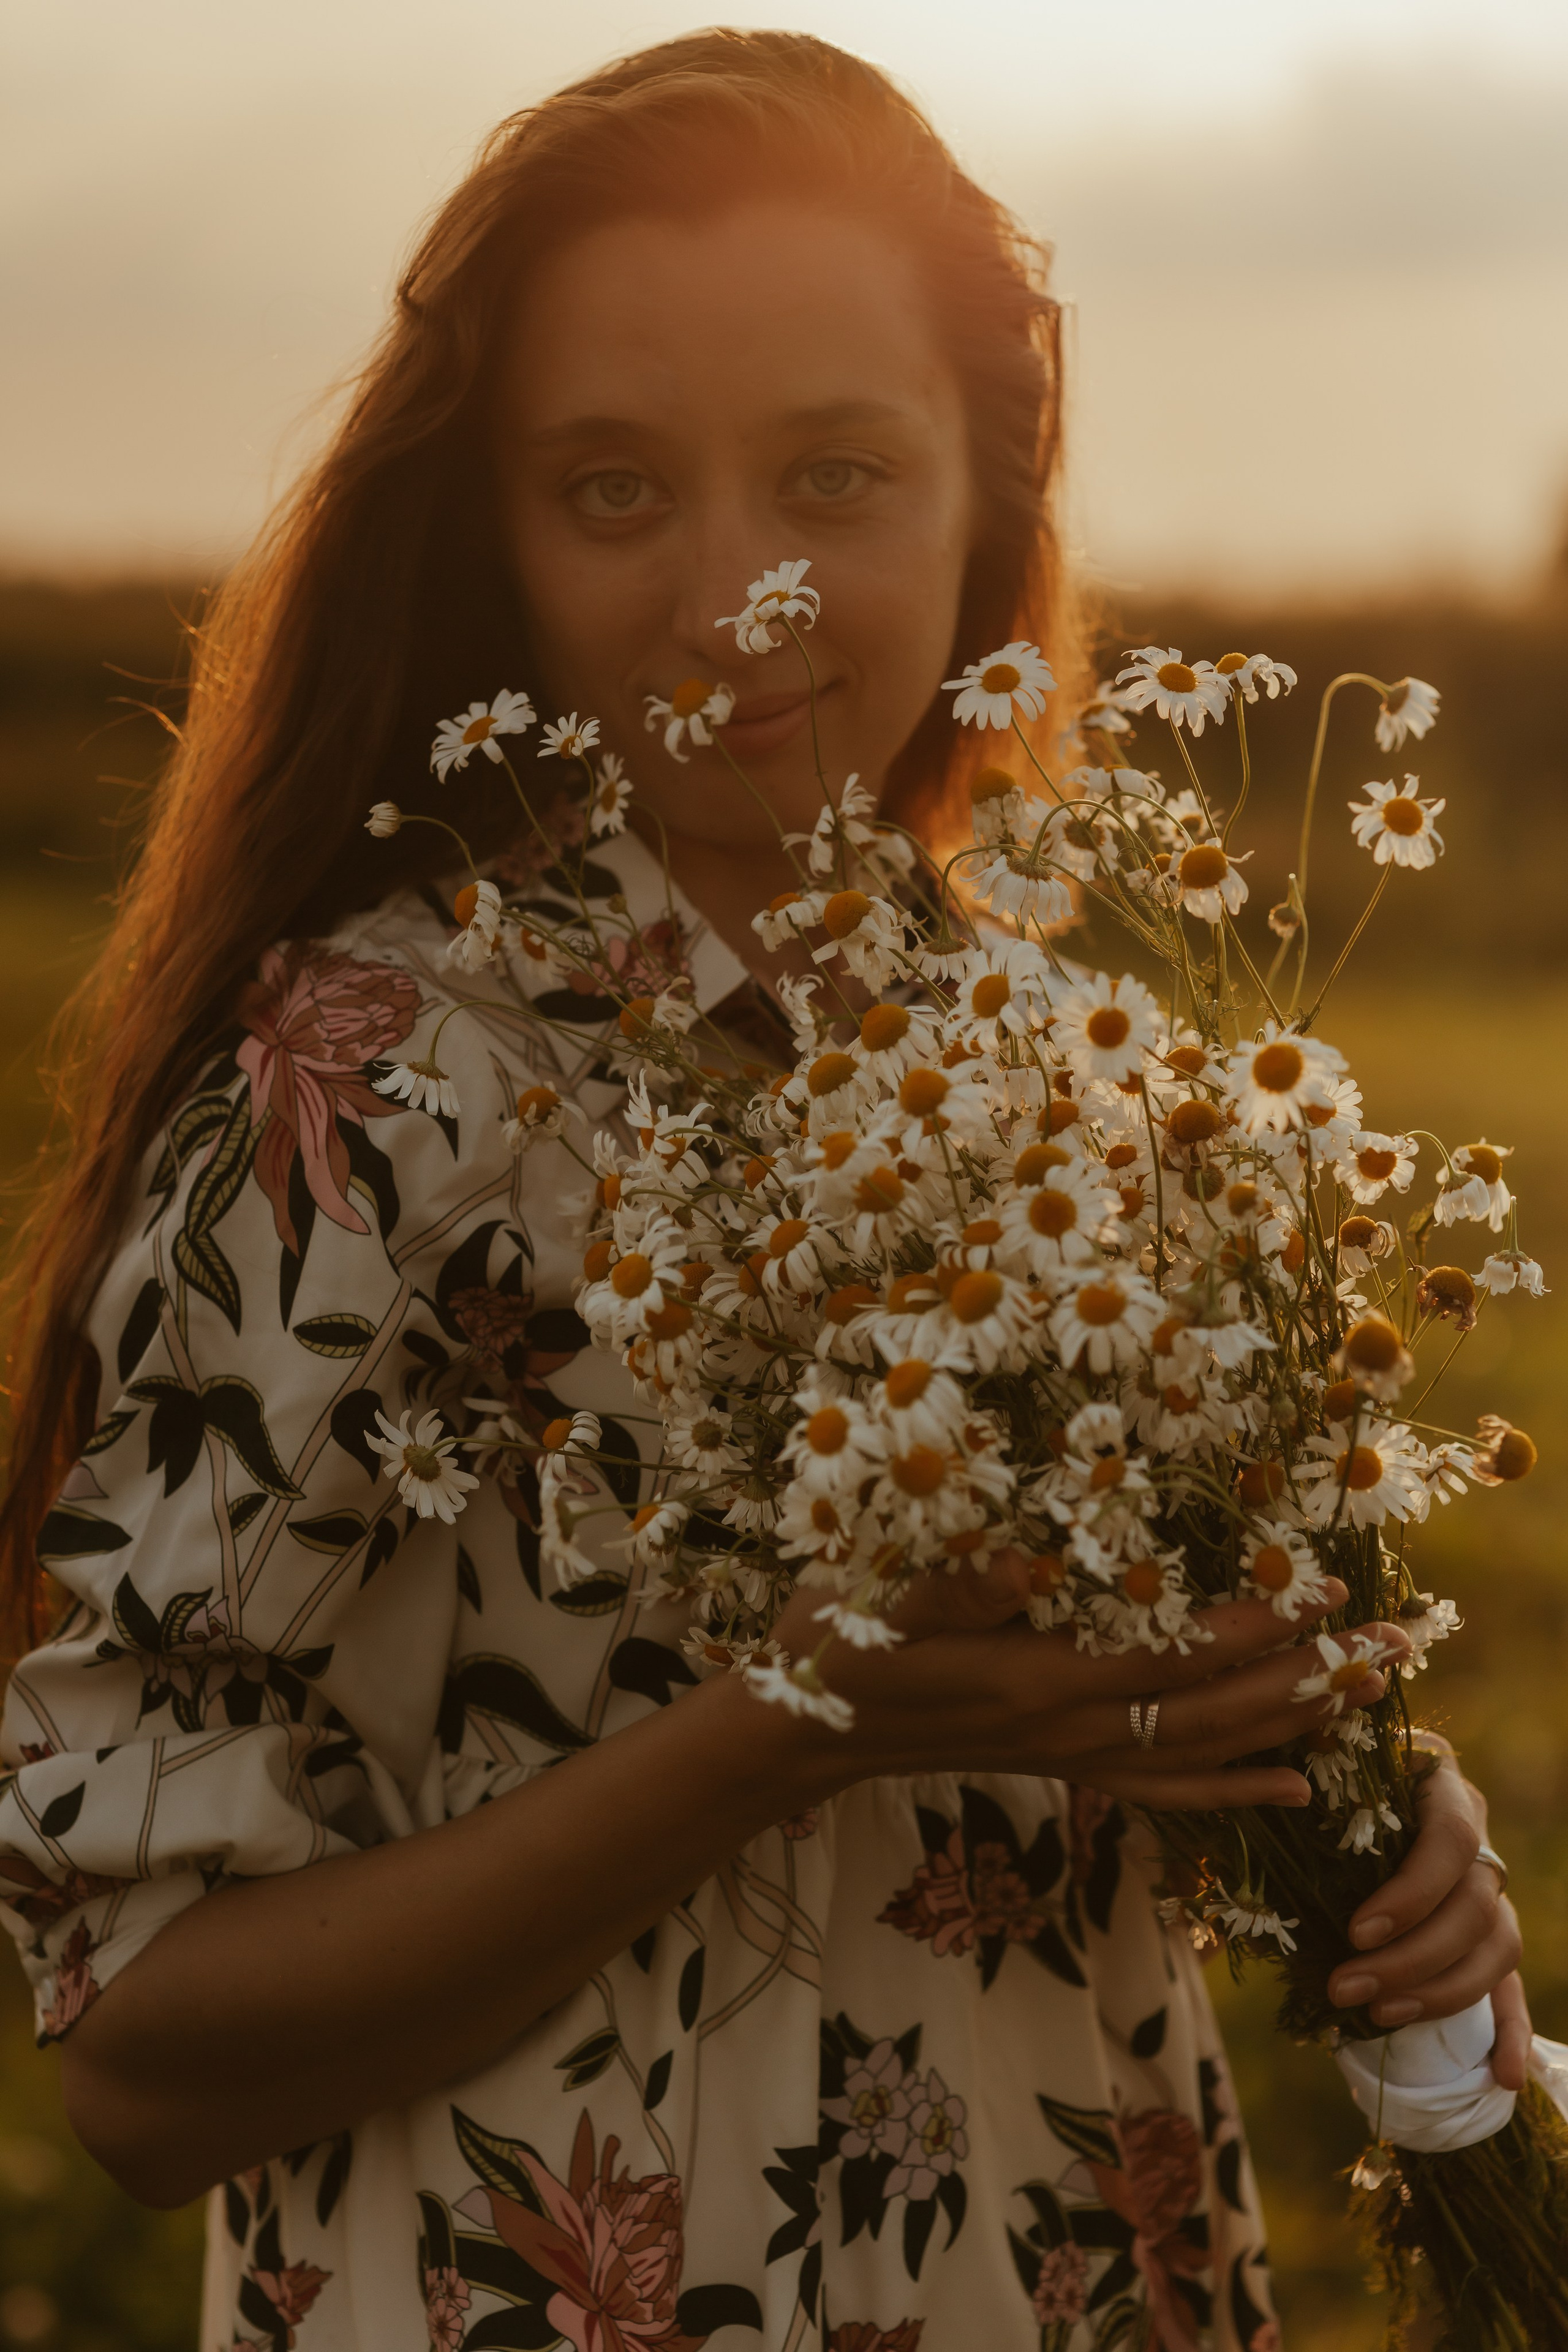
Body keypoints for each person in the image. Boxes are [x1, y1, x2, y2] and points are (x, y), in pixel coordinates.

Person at [0, 31, 1527, 2352]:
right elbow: (134, 2062)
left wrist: (1360, 1821)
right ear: (495, 534)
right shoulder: (370, 1086)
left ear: (992, 498)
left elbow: (1108, 1725)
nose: (740, 599)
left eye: (835, 473)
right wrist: (793, 1726)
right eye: (614, 488)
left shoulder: (1058, 1067)